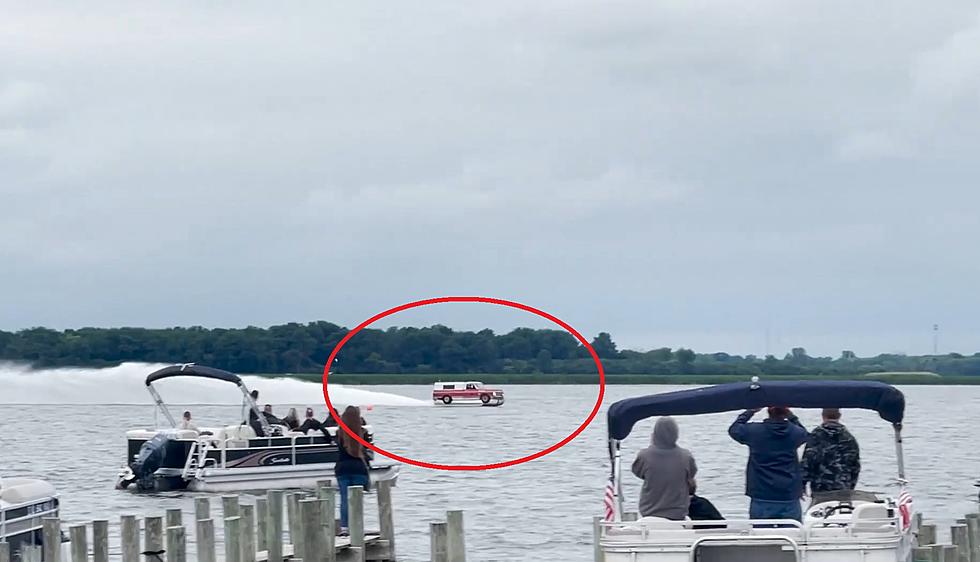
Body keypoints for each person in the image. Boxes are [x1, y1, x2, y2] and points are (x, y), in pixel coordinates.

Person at [728, 406, 808, 522]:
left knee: (762, 535)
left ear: (768, 411)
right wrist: (792, 417)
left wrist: (751, 411)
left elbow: (734, 429)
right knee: (793, 533)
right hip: (788, 493)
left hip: (761, 493)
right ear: (785, 412)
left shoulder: (754, 431)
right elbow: (804, 433)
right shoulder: (795, 432)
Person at [631, 416, 697, 520]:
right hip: (677, 516)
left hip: (649, 514)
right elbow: (691, 476)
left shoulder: (644, 456)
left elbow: (637, 472)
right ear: (676, 433)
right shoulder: (686, 457)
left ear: (655, 434)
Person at [802, 408, 861, 504]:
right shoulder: (849, 438)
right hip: (842, 489)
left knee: (819, 515)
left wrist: (802, 484)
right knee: (842, 515)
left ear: (823, 416)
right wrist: (850, 487)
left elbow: (807, 463)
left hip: (820, 489)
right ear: (839, 416)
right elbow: (855, 467)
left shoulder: (816, 436)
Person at [335, 405, 371, 535]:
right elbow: (368, 452)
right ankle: (357, 526)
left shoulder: (339, 433)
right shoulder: (362, 433)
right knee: (356, 499)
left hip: (342, 468)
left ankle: (344, 527)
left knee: (344, 498)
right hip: (358, 468)